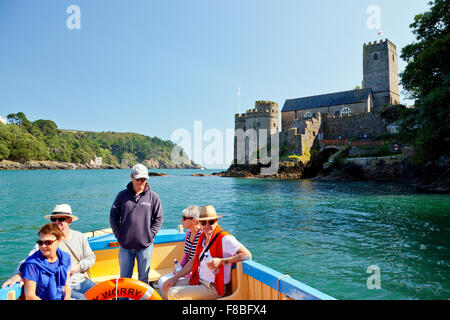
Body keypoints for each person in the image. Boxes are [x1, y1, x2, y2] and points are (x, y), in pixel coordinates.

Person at [2, 204, 97, 300]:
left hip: (81, 281)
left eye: (60, 219)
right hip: (61, 285)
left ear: (69, 221)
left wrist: (78, 267)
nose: (56, 222)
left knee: (106, 293)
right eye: (53, 219)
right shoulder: (46, 242)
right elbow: (30, 260)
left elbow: (91, 257)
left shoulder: (79, 237)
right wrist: (18, 274)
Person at [162, 205, 252, 300]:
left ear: (216, 221)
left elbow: (247, 255)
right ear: (199, 223)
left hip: (215, 287)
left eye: (211, 222)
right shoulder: (202, 239)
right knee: (167, 285)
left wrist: (222, 261)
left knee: (173, 293)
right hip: (200, 281)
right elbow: (194, 261)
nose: (207, 226)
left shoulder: (225, 238)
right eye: (204, 222)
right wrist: (174, 278)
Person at [110, 163, 163, 284]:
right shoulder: (122, 195)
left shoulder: (153, 197)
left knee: (144, 279)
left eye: (143, 179)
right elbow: (113, 216)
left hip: (145, 246)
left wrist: (150, 235)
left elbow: (158, 218)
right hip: (125, 246)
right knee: (125, 279)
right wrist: (118, 235)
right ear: (132, 177)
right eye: (138, 179)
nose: (140, 182)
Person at [158, 205, 202, 299]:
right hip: (184, 271)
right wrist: (179, 268)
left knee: (167, 284)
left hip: (195, 274)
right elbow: (186, 256)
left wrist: (181, 274)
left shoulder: (202, 237)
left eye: (184, 218)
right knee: (161, 280)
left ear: (194, 221)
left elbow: (197, 261)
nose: (181, 221)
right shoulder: (188, 234)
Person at [20, 223, 72, 300]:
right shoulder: (32, 264)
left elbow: (66, 286)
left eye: (48, 242)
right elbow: (30, 296)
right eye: (40, 243)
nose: (43, 246)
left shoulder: (65, 258)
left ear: (59, 240)